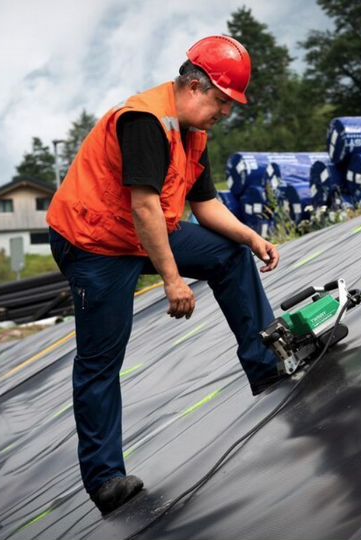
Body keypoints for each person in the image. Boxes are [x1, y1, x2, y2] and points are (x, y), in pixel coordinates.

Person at [47, 35, 286, 516]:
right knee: (100, 360)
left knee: (229, 255)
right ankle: (105, 478)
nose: (225, 113)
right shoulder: (144, 121)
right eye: (222, 101)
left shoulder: (193, 132)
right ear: (194, 87)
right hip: (95, 245)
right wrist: (172, 279)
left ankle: (267, 366)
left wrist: (249, 237)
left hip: (141, 232)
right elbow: (143, 204)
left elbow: (205, 204)